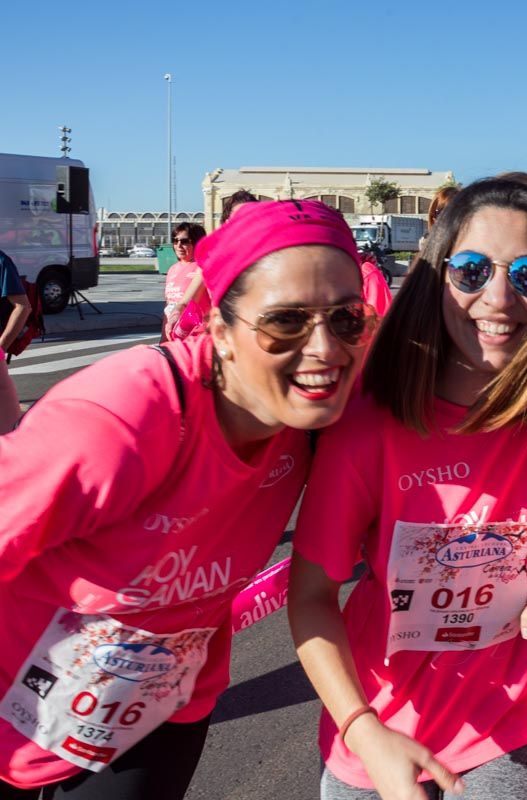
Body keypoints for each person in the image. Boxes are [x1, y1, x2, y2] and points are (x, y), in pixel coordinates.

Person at [0, 199, 376, 800]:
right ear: (222, 332)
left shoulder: (319, 415)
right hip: (16, 697)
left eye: (347, 318)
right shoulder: (120, 420)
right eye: (285, 322)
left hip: (162, 702)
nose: (325, 349)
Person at [288, 176, 527, 800]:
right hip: (377, 725)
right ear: (437, 273)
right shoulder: (368, 417)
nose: (499, 299)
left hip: (513, 721)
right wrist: (362, 728)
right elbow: (312, 595)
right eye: (473, 270)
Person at [163, 223, 209, 340]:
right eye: (175, 241)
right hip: (174, 335)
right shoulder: (172, 270)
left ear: (197, 243)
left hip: (197, 337)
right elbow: (168, 305)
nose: (178, 245)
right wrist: (163, 338)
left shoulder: (202, 267)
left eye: (184, 241)